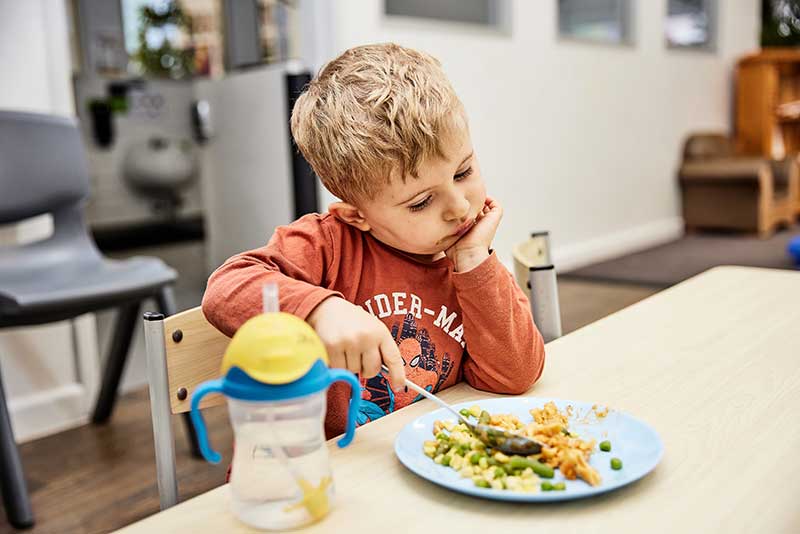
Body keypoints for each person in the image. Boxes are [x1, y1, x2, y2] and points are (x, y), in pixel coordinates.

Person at [202, 43, 545, 438]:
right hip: (326, 473)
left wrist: (472, 259)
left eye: (463, 172)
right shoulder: (327, 246)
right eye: (421, 202)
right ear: (357, 215)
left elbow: (515, 375)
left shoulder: (469, 260)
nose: (458, 206)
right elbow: (224, 289)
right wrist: (320, 311)